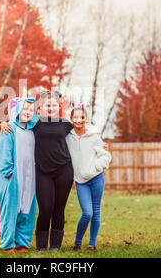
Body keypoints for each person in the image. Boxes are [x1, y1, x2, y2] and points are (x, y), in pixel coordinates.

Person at [0, 90, 74, 251]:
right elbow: (18, 119)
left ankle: (55, 246)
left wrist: (100, 146)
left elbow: (83, 132)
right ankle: (41, 246)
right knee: (46, 208)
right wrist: (2, 122)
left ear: (59, 106)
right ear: (40, 107)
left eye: (54, 105)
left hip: (64, 170)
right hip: (42, 172)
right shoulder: (35, 123)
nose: (50, 108)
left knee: (59, 209)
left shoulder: (66, 124)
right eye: (47, 105)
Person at [0, 96, 39, 253]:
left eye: (31, 110)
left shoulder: (33, 131)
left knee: (26, 210)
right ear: (17, 110)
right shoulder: (9, 128)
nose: (28, 112)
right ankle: (7, 244)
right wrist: (9, 173)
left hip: (29, 178)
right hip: (12, 178)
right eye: (25, 108)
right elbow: (4, 154)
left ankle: (22, 243)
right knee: (10, 211)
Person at [65, 103, 111, 251]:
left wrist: (97, 167)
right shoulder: (67, 138)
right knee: (87, 213)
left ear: (86, 118)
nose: (79, 120)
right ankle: (77, 243)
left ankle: (92, 244)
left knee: (96, 211)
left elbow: (105, 156)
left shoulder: (94, 136)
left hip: (97, 179)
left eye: (82, 117)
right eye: (76, 117)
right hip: (81, 182)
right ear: (71, 119)